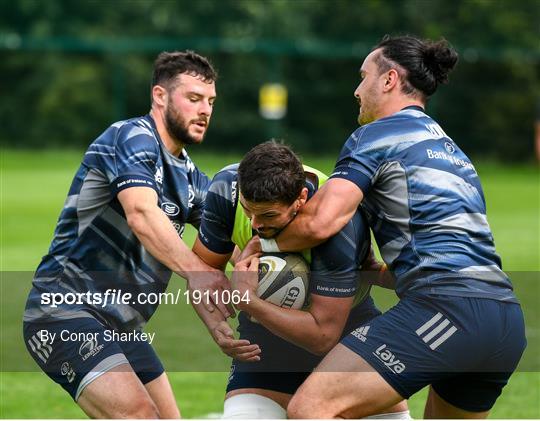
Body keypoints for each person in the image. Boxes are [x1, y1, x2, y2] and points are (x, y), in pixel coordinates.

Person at [247, 36, 527, 418]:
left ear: (389, 80)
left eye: (363, 77)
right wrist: (368, 271)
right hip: (504, 318)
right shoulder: (449, 147)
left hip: (447, 309)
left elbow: (319, 222)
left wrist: (262, 245)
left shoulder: (377, 135)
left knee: (312, 407)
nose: (357, 89)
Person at [23, 50, 232, 418]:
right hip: (64, 311)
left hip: (122, 325)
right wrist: (199, 273)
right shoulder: (130, 137)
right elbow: (141, 214)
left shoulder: (193, 179)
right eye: (194, 98)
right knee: (139, 415)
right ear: (160, 96)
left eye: (211, 102)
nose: (205, 110)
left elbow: (222, 241)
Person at [191, 141, 409, 419]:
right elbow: (203, 269)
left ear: (301, 199)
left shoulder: (340, 223)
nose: (255, 224)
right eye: (249, 210)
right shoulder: (227, 190)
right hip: (265, 337)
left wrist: (249, 301)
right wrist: (215, 324)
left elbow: (323, 337)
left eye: (268, 215)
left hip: (346, 329)